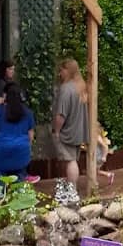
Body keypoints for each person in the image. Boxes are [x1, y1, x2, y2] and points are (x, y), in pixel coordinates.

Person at [0, 82, 35, 186]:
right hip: (21, 153)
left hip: (0, 153)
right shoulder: (27, 112)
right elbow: (30, 134)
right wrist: (27, 147)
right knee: (19, 183)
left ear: (5, 95)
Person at [52, 58, 90, 187]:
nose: (60, 73)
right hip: (79, 130)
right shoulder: (81, 87)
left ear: (68, 71)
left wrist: (57, 131)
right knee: (73, 160)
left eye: (62, 70)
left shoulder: (66, 89)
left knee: (70, 161)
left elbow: (61, 114)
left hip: (67, 131)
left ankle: (72, 190)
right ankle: (71, 188)